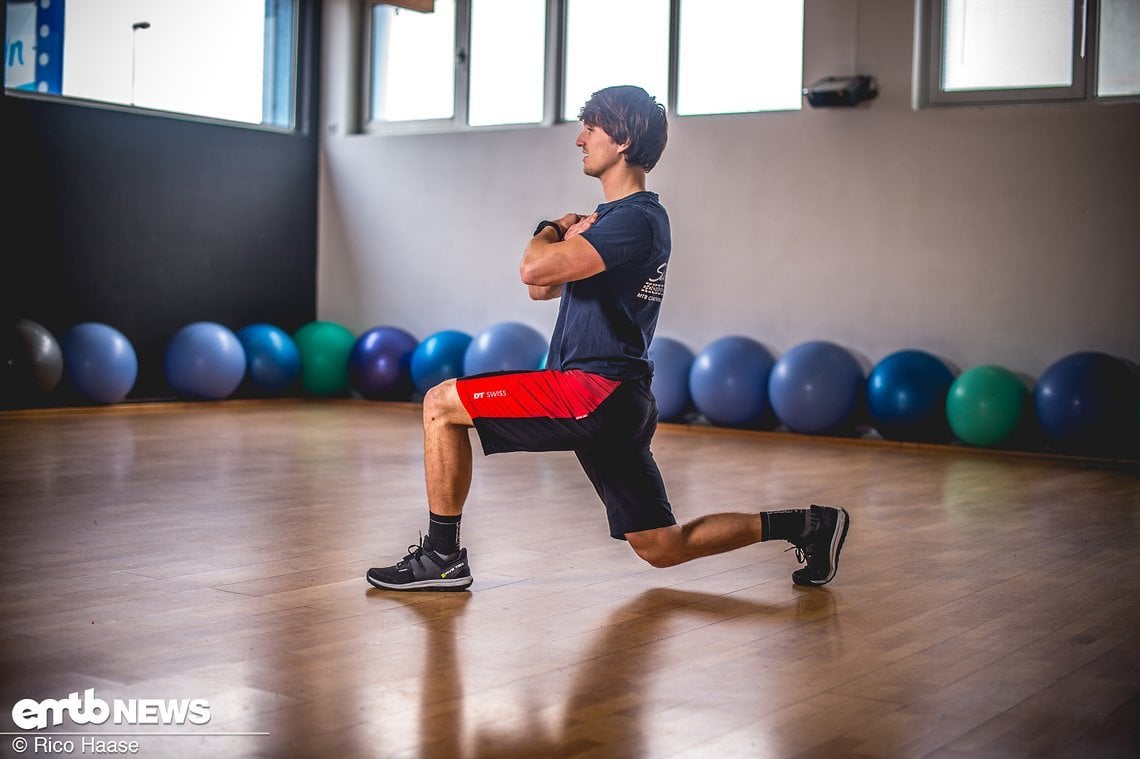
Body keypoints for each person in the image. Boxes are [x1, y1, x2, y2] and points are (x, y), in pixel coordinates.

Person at [367, 85, 849, 592]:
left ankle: (442, 557)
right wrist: (573, 239)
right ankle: (809, 525)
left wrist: (551, 226)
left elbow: (532, 270)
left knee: (441, 404)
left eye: (590, 128)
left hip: (591, 389)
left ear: (621, 140)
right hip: (619, 397)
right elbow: (546, 289)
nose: (580, 139)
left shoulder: (634, 220)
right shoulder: (623, 223)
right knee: (662, 545)